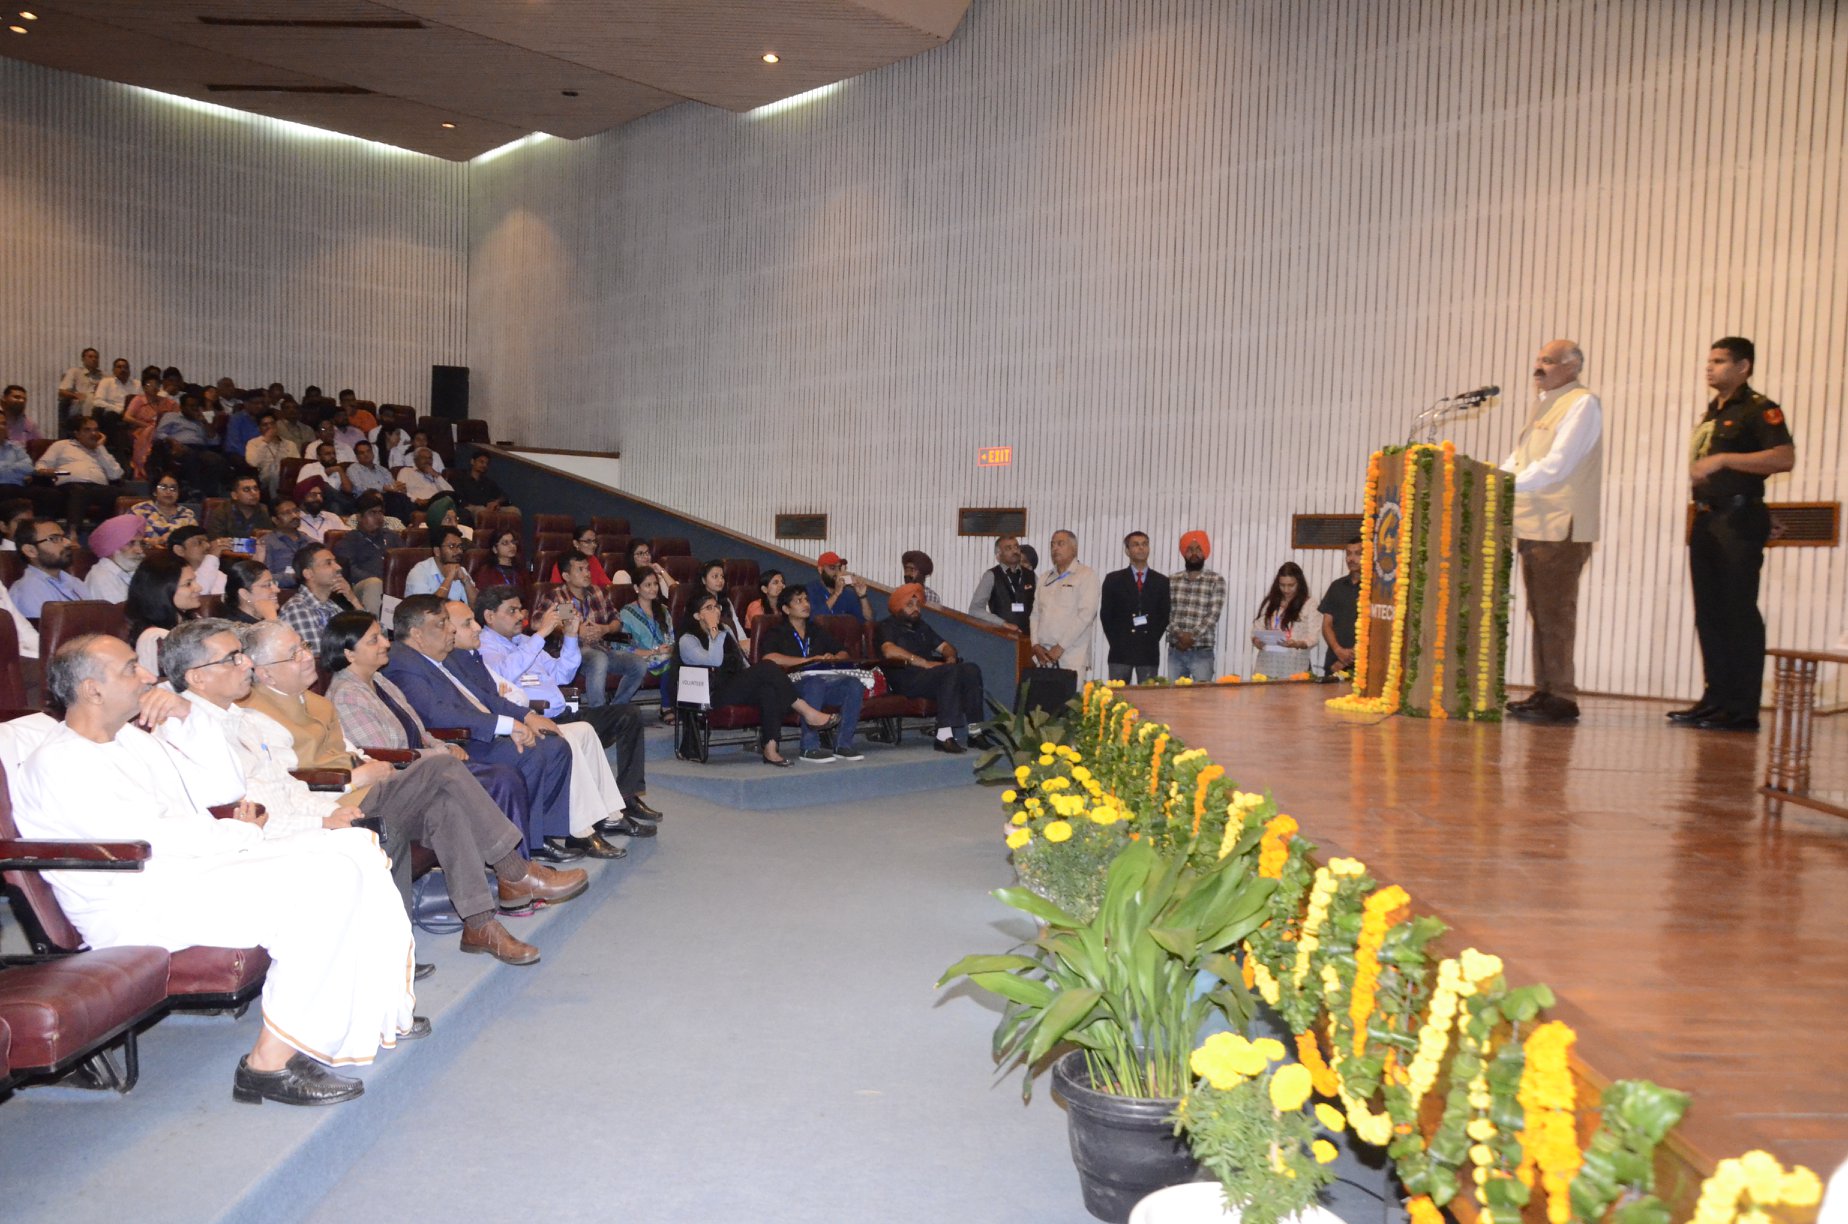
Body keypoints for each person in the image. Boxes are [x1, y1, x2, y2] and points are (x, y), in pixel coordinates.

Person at [12, 633, 415, 1105]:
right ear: (92, 689)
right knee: (327, 880)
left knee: (352, 848)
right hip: (136, 901)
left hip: (187, 871)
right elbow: (152, 843)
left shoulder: (129, 740)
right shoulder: (59, 762)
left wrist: (186, 715)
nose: (147, 676)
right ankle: (268, 1063)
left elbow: (220, 787)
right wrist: (240, 835)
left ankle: (372, 1011)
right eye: (130, 669)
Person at [232, 619, 599, 951]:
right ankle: (515, 872)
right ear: (264, 673)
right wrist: (354, 777)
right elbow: (285, 786)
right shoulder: (255, 715)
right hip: (340, 806)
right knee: (441, 766)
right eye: (293, 653)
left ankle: (479, 924)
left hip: (371, 788)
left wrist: (364, 762)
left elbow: (344, 749)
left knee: (447, 807)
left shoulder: (314, 701)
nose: (306, 655)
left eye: (303, 646)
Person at [320, 610, 560, 875]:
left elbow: (418, 729)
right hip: (404, 777)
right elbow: (387, 757)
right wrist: (438, 754)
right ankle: (514, 872)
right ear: (349, 653)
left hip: (428, 761)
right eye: (374, 640)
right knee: (500, 779)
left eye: (381, 636)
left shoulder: (379, 679)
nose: (386, 643)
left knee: (505, 775)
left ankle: (516, 869)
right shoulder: (346, 695)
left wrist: (441, 747)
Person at [382, 595, 580, 864]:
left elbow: (485, 697)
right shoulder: (403, 662)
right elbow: (437, 714)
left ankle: (540, 837)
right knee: (531, 753)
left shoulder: (445, 657)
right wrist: (508, 725)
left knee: (555, 745)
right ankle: (518, 851)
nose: (451, 629)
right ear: (417, 633)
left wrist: (527, 716)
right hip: (460, 740)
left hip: (483, 729)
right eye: (442, 624)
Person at [1671, 336, 1796, 733]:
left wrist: (1724, 458)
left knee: (1737, 612)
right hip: (1707, 519)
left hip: (1738, 521)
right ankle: (1715, 699)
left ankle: (1741, 708)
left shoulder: (1760, 409)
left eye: (1720, 361)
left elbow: (1783, 457)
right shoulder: (1713, 411)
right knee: (1709, 612)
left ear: (1743, 367)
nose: (1710, 367)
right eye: (1709, 360)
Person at [465, 595, 654, 842]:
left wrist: (571, 636)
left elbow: (563, 674)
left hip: (565, 712)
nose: (520, 616)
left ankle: (627, 797)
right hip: (535, 718)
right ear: (489, 617)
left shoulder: (524, 641)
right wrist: (540, 634)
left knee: (628, 714)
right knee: (577, 735)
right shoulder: (486, 647)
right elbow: (503, 674)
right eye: (511, 611)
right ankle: (587, 824)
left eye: (520, 609)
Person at [1501, 339, 1606, 725]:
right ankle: (1546, 690)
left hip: (1561, 525)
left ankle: (1562, 696)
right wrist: (1494, 478)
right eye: (1538, 360)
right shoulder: (1545, 404)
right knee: (1541, 612)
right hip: (1535, 522)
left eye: (1548, 361)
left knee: (1556, 613)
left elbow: (1558, 465)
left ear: (1572, 367)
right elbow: (1521, 459)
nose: (1539, 367)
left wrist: (1506, 486)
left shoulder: (1582, 403)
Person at [678, 591, 836, 767]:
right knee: (767, 665)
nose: (715, 611)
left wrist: (754, 676)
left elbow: (740, 661)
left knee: (767, 689)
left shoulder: (726, 630)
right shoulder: (688, 640)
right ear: (697, 615)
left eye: (716, 606)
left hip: (736, 685)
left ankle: (771, 748)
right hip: (710, 694)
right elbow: (714, 660)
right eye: (709, 608)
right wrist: (713, 629)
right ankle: (807, 712)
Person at [758, 585, 865, 762]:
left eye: (806, 599)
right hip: (791, 688)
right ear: (785, 609)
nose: (805, 604)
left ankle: (843, 744)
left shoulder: (816, 630)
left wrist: (834, 657)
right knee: (815, 683)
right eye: (798, 601)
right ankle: (809, 747)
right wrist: (807, 661)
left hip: (822, 683)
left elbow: (843, 651)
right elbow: (769, 657)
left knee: (854, 683)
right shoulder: (777, 632)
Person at [877, 584, 985, 753]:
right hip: (906, 679)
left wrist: (950, 658)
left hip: (930, 677)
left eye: (918, 605)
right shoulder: (886, 626)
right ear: (898, 607)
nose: (916, 609)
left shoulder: (922, 626)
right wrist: (925, 663)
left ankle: (975, 732)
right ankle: (943, 736)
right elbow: (889, 650)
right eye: (910, 605)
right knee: (949, 672)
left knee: (970, 669)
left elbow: (946, 646)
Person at [533, 552, 647, 708]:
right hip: (569, 653)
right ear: (566, 576)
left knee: (638, 663)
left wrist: (604, 629)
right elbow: (536, 623)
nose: (587, 573)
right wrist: (573, 631)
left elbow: (617, 621)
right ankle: (597, 712)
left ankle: (617, 708)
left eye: (587, 569)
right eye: (580, 569)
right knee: (598, 658)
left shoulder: (598, 592)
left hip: (601, 648)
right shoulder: (557, 596)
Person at [1099, 531, 1171, 683]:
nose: (1141, 548)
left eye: (1144, 544)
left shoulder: (1161, 581)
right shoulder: (1113, 579)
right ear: (1127, 550)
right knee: (1117, 700)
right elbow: (1106, 615)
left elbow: (1164, 615)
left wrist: (1151, 638)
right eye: (1136, 544)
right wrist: (1117, 641)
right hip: (1120, 650)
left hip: (1148, 651)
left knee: (1148, 699)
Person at [1029, 530, 1102, 677]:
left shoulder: (1086, 575)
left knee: (1071, 701)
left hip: (1072, 656)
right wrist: (1035, 644)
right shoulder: (1044, 578)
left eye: (1060, 544)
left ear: (1074, 548)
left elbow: (1086, 615)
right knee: (1041, 700)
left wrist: (1060, 647)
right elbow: (1035, 614)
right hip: (1044, 656)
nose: (1055, 548)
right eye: (1052, 545)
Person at [35, 416, 123, 531]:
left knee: (128, 494)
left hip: (98, 488)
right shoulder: (62, 445)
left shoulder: (100, 450)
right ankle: (73, 535)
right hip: (70, 486)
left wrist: (100, 447)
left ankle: (114, 533)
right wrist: (48, 471)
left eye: (96, 430)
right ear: (77, 433)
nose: (93, 433)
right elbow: (40, 466)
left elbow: (116, 474)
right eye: (87, 430)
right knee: (78, 491)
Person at [125, 549, 202, 673]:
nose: (199, 588)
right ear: (162, 590)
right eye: (188, 584)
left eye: (195, 581)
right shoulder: (152, 639)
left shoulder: (194, 620)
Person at [1167, 530, 1228, 681]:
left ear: (1205, 552)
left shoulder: (1216, 580)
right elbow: (1164, 612)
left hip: (1202, 652)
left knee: (1202, 701)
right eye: (1189, 549)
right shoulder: (1171, 580)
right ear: (1184, 553)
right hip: (1176, 651)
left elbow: (1213, 615)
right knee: (1174, 700)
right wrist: (1180, 635)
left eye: (1198, 549)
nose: (1194, 553)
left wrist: (1191, 637)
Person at [282, 542, 360, 656]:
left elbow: (376, 637)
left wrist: (353, 599)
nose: (339, 567)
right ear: (308, 574)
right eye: (328, 563)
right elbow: (318, 658)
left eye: (335, 562)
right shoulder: (298, 608)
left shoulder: (332, 606)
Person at [333, 493, 404, 616]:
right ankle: (375, 631)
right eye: (372, 513)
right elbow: (351, 571)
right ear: (359, 517)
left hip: (393, 586)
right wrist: (382, 580)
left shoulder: (392, 537)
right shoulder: (348, 541)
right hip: (362, 588)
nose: (378, 517)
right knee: (374, 584)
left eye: (380, 512)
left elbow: (405, 561)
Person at [617, 570, 677, 713]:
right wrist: (654, 652)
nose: (653, 588)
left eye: (655, 584)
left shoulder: (663, 609)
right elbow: (623, 647)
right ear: (637, 588)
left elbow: (671, 637)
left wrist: (669, 648)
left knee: (683, 659)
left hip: (665, 654)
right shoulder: (627, 612)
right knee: (670, 662)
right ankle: (666, 707)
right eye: (648, 585)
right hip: (640, 657)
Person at [12, 519, 90, 619]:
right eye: (54, 538)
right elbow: (46, 633)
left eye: (63, 537)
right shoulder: (27, 591)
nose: (67, 543)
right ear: (30, 551)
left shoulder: (76, 582)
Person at [1249, 562, 1317, 676]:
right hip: (1267, 666)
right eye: (1282, 585)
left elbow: (1313, 637)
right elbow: (1256, 630)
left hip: (1295, 666)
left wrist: (1296, 643)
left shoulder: (1309, 604)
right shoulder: (1271, 602)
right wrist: (1257, 641)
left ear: (1299, 583)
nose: (1286, 590)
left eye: (1291, 585)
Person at [1317, 538, 1364, 679]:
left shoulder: (1377, 590)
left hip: (1363, 665)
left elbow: (1378, 629)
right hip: (1334, 662)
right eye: (1348, 554)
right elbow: (1327, 624)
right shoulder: (1336, 586)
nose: (1351, 558)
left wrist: (1348, 658)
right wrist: (1338, 651)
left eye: (1358, 554)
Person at [967, 535, 1035, 632]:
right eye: (1009, 548)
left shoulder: (1031, 575)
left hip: (1028, 638)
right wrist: (1003, 623)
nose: (1015, 551)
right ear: (998, 555)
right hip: (1001, 637)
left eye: (1016, 547)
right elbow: (975, 609)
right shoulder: (991, 575)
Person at [344, 439, 417, 523]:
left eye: (368, 451)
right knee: (395, 499)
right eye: (362, 453)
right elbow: (360, 488)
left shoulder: (382, 469)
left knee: (402, 497)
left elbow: (392, 485)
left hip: (386, 497)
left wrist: (398, 488)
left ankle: (409, 525)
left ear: (373, 453)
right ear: (357, 456)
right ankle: (402, 526)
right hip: (365, 499)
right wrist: (384, 488)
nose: (366, 454)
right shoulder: (353, 468)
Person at [81, 514, 146, 604]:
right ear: (113, 547)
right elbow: (119, 616)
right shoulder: (102, 578)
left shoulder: (133, 571)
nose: (140, 550)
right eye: (131, 543)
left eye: (141, 544)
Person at [404, 525, 477, 602]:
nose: (459, 551)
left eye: (460, 546)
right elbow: (429, 610)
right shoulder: (419, 573)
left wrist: (466, 581)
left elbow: (477, 607)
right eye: (452, 546)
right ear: (437, 551)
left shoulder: (461, 570)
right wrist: (449, 578)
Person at [124, 374, 177, 478]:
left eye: (156, 384)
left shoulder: (165, 401)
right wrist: (146, 425)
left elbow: (176, 413)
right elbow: (127, 417)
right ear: (144, 387)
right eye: (150, 384)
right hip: (142, 431)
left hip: (162, 432)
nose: (154, 387)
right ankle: (142, 468)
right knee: (150, 431)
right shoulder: (138, 400)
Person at [806, 551, 874, 623]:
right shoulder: (810, 591)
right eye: (832, 568)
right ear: (820, 570)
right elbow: (814, 619)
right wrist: (836, 594)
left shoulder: (847, 593)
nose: (837, 572)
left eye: (839, 568)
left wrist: (862, 596)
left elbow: (868, 619)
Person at [242, 412, 298, 501]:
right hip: (266, 478)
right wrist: (266, 440)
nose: (270, 427)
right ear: (259, 428)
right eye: (265, 425)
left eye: (272, 423)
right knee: (275, 474)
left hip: (288, 478)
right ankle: (276, 502)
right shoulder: (253, 443)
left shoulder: (290, 444)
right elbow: (252, 462)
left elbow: (296, 464)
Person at [131, 475, 200, 546]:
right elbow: (128, 539)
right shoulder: (140, 510)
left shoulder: (187, 514)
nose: (168, 491)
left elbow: (196, 542)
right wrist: (155, 541)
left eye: (173, 488)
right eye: (163, 487)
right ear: (154, 491)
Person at [205, 476, 275, 544]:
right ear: (234, 495)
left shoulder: (264, 510)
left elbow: (269, 539)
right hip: (227, 554)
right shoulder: (222, 511)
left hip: (257, 554)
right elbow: (215, 541)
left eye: (256, 489)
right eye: (246, 490)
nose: (254, 493)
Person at [294, 440, 357, 516]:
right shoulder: (309, 467)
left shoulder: (337, 470)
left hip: (331, 503)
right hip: (313, 501)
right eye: (328, 454)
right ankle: (355, 507)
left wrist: (340, 471)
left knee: (336, 506)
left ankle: (349, 525)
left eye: (334, 453)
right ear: (318, 457)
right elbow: (300, 489)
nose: (332, 456)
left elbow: (349, 490)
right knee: (323, 484)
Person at [260, 499, 311, 588]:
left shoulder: (311, 542)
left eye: (296, 511)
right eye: (287, 513)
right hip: (281, 593)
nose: (295, 516)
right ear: (275, 520)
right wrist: (295, 577)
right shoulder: (266, 543)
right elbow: (263, 579)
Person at [694, 559, 747, 639]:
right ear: (704, 580)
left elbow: (735, 623)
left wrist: (742, 640)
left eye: (722, 577)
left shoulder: (726, 600)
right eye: (715, 576)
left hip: (728, 640)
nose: (720, 580)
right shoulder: (698, 602)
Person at [169, 525, 226, 597]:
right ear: (179, 550)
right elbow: (199, 594)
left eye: (207, 541)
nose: (208, 545)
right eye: (199, 542)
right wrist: (212, 556)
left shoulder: (217, 573)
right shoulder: (170, 577)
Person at [221, 558, 280, 624]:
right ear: (245, 594)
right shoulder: (235, 628)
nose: (277, 590)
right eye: (267, 585)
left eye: (274, 583)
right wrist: (271, 618)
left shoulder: (259, 622)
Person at [450, 452, 509, 518]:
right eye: (481, 462)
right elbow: (458, 498)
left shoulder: (488, 482)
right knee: (482, 510)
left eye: (486, 463)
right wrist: (478, 506)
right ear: (472, 462)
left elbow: (504, 495)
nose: (484, 465)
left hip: (488, 508)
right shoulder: (461, 478)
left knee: (514, 510)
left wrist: (496, 502)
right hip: (469, 508)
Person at [56, 348, 101, 431]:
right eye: (90, 357)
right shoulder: (74, 372)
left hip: (96, 405)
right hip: (79, 404)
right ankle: (88, 425)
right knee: (88, 398)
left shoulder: (102, 376)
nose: (94, 359)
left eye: (96, 357)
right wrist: (75, 395)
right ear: (83, 359)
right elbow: (61, 392)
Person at [88, 357, 138, 428]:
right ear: (113, 370)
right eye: (119, 367)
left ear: (129, 371)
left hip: (131, 413)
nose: (123, 370)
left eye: (125, 367)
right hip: (113, 412)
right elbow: (97, 401)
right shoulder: (106, 382)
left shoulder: (137, 384)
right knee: (100, 411)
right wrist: (118, 410)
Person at [472, 528, 526, 592]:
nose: (512, 546)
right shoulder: (485, 573)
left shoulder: (521, 571)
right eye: (505, 543)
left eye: (513, 542)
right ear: (495, 549)